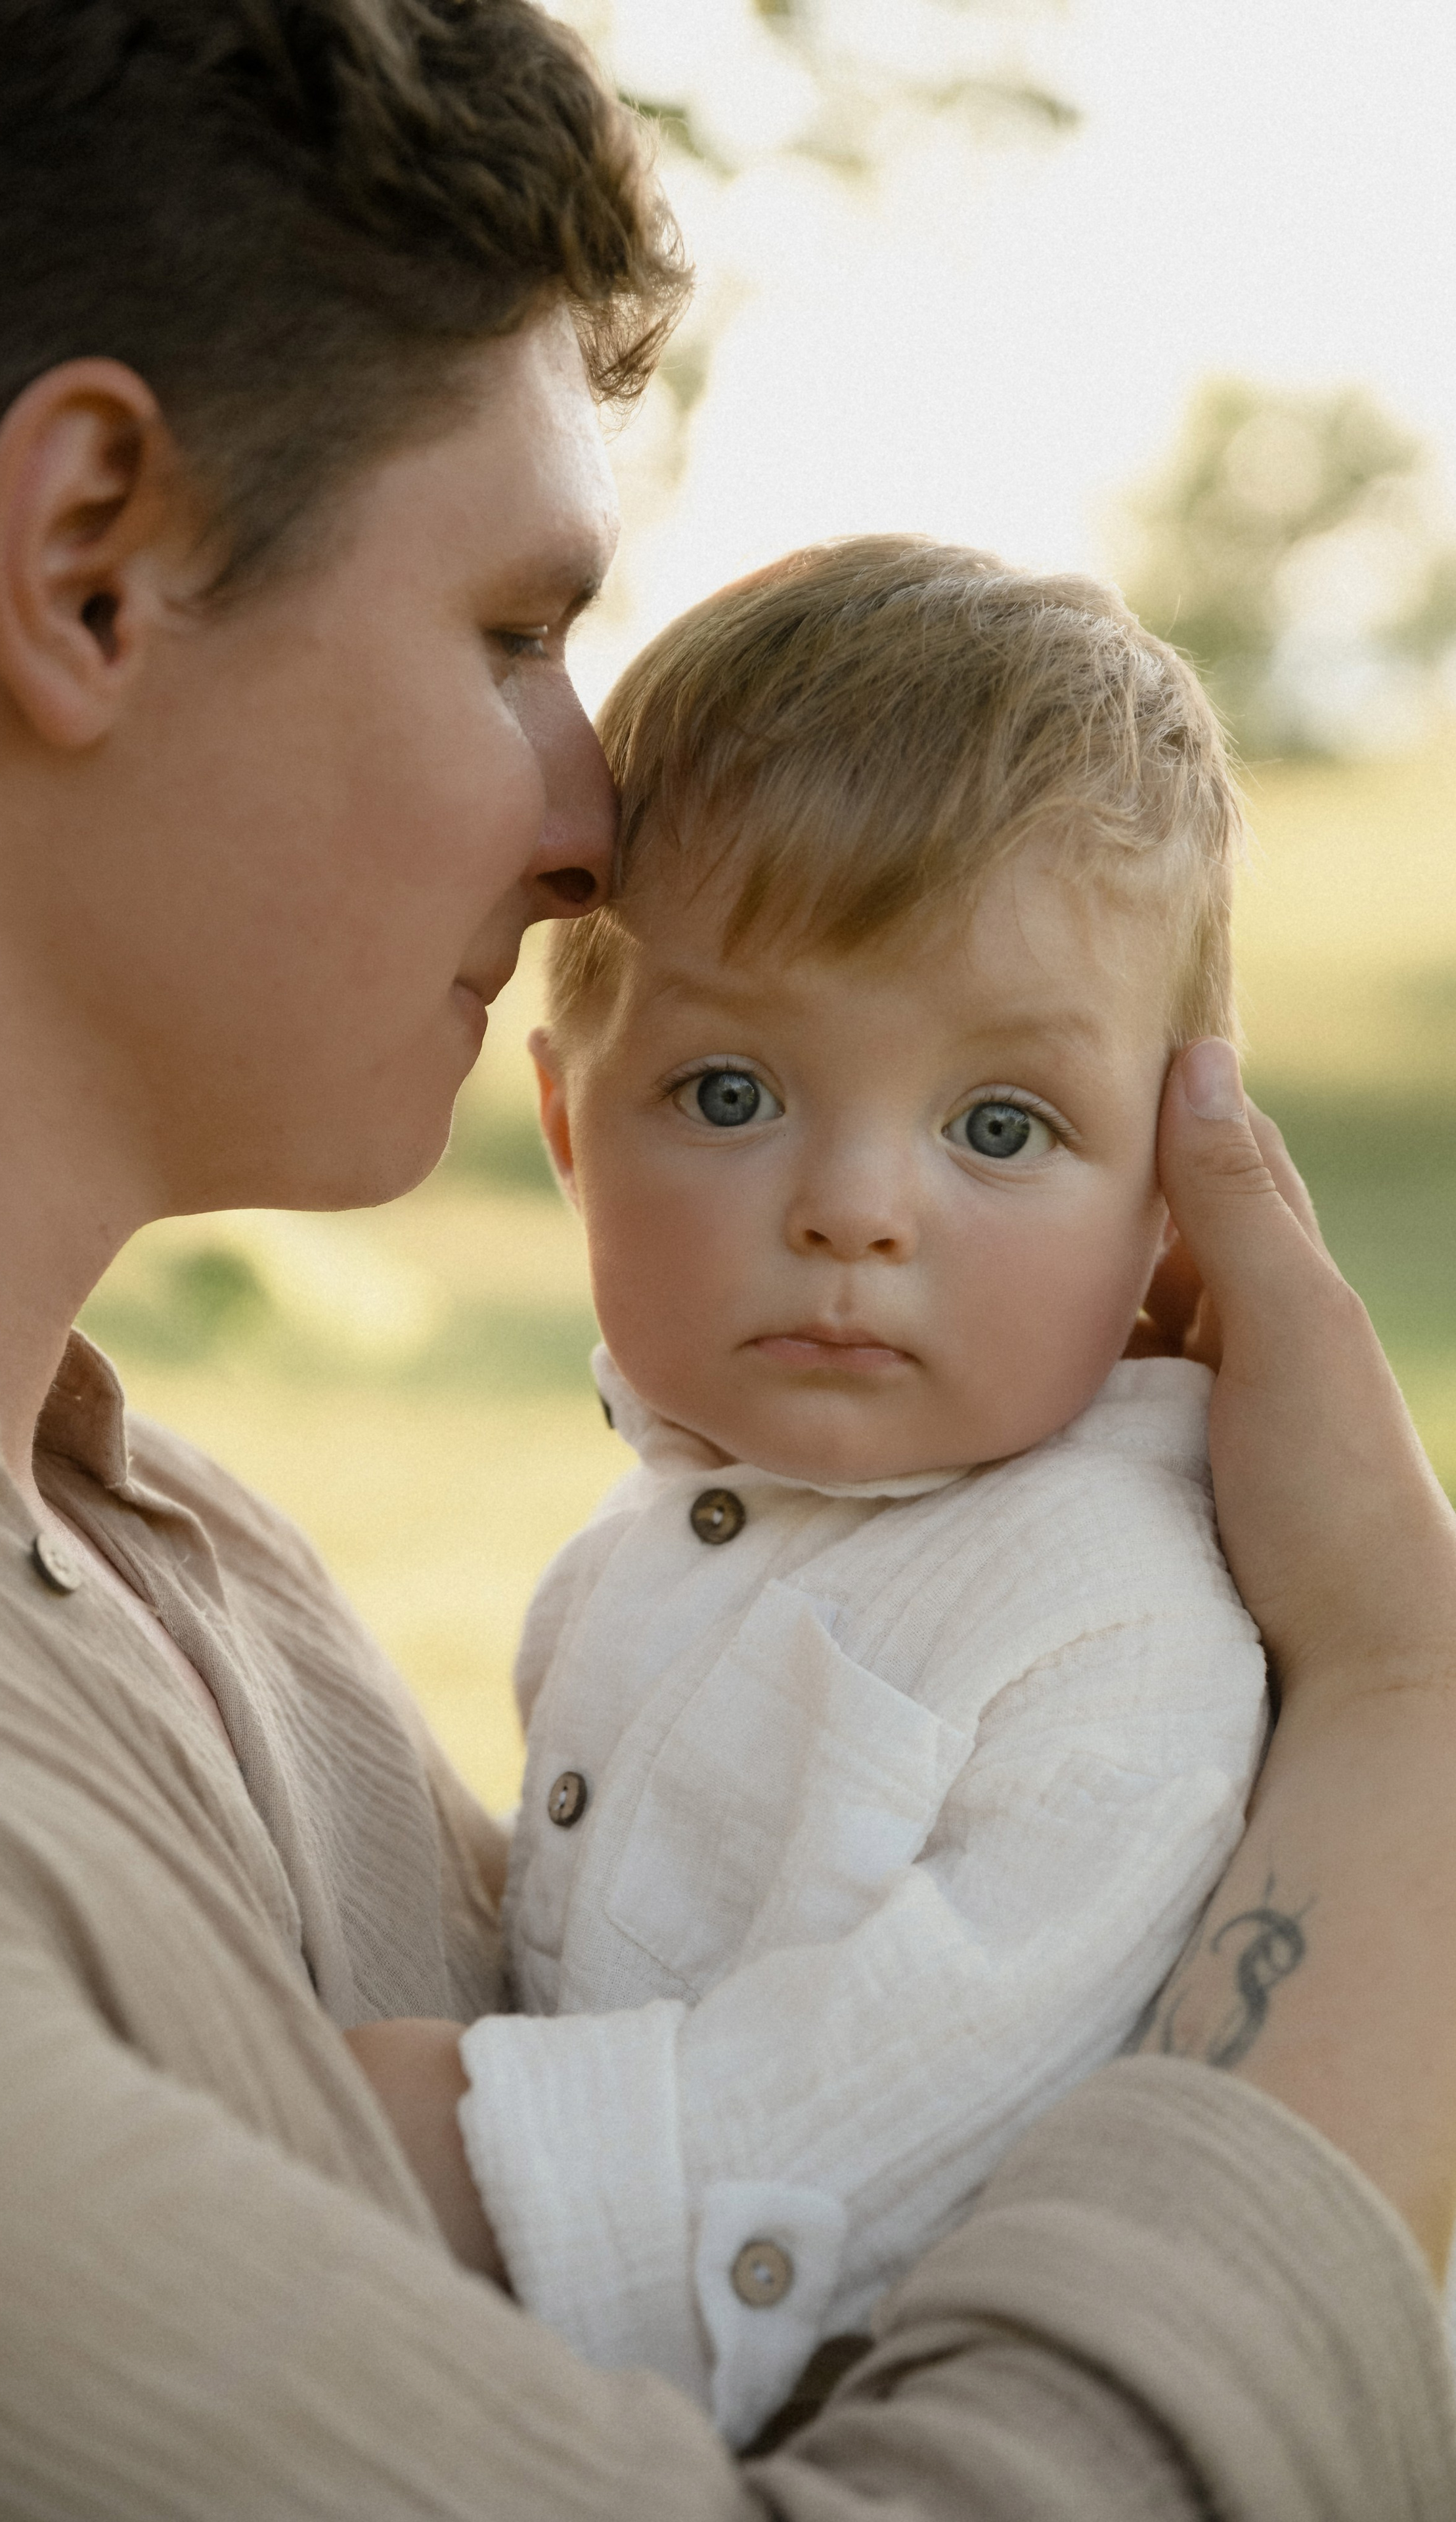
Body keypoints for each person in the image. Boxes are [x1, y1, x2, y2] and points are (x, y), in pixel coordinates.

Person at [0, 5, 1454, 2516]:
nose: (591, 822)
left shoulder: (177, 1548)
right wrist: (1411, 1729)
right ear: (93, 560)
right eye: (511, 630)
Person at [445, 537, 1268, 2444]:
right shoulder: (621, 1567)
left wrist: (453, 2136)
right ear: (575, 1130)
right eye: (731, 1093)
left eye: (1001, 1125)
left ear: (1171, 1188)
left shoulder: (1120, 1609)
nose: (853, 1208)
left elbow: (931, 2068)